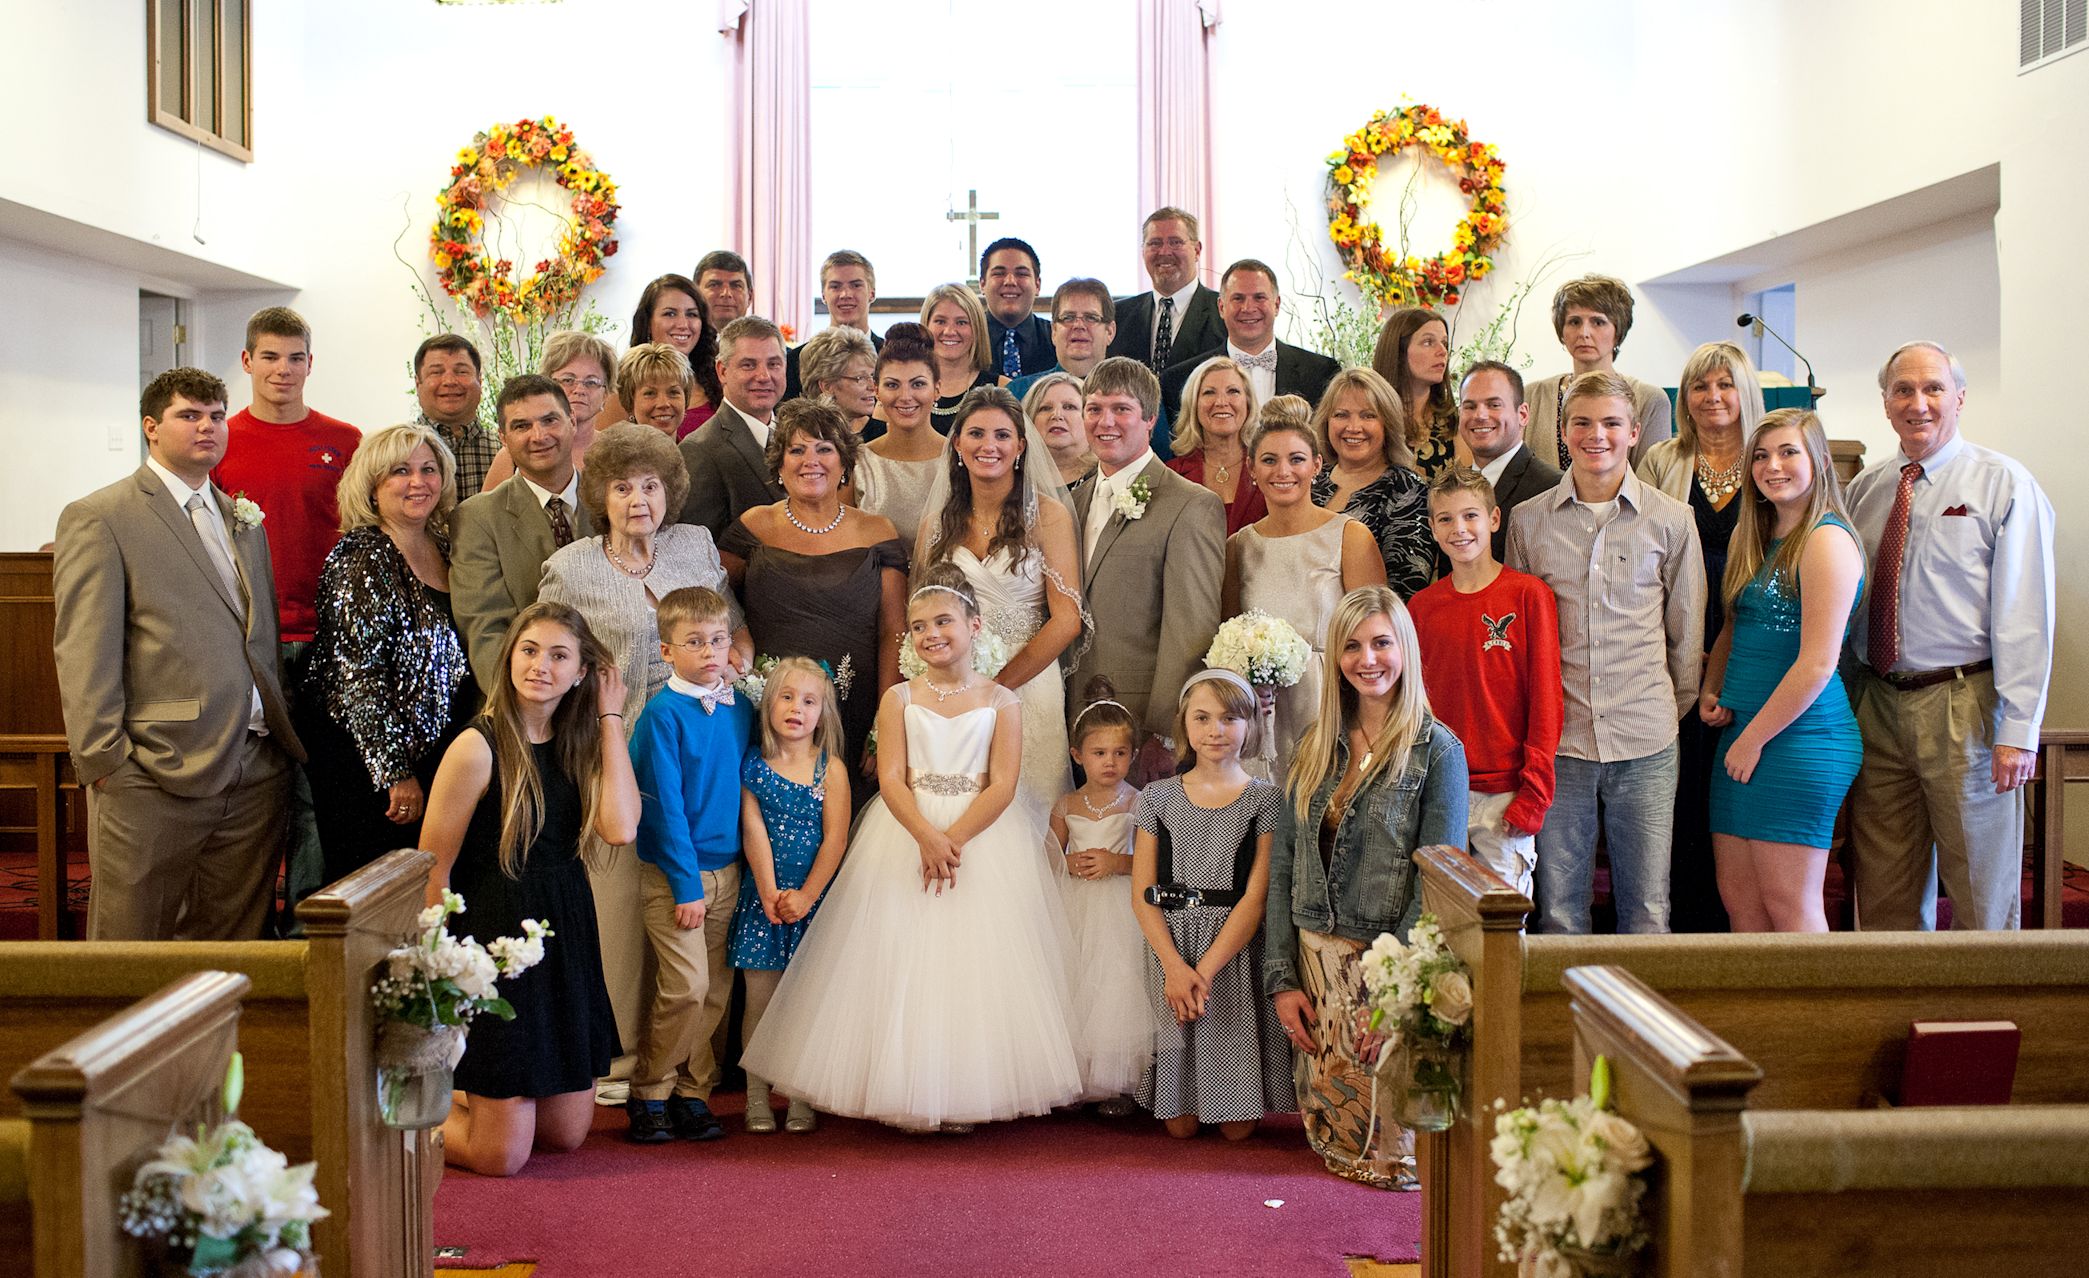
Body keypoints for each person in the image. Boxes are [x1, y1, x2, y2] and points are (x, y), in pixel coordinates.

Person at [740, 568, 1084, 1131]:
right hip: (906, 829)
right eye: (919, 627)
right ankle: (903, 1088)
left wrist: (953, 840)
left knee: (970, 964)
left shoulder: (1002, 700)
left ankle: (963, 1093)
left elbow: (1003, 784)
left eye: (943, 622)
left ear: (975, 626)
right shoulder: (899, 697)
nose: (930, 634)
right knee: (901, 960)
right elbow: (892, 777)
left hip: (979, 837)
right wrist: (926, 835)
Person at [52, 368, 304, 940]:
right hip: (153, 767)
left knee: (234, 944)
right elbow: (83, 648)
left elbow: (257, 636)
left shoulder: (241, 517)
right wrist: (105, 760)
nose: (207, 427)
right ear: (151, 427)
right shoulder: (102, 516)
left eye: (216, 416)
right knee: (132, 941)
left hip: (255, 765)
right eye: (188, 415)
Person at [541, 424, 749, 1069]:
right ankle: (619, 1058)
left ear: (670, 492)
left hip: (702, 758)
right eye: (623, 487)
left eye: (652, 486)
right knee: (622, 915)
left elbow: (733, 625)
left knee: (692, 918)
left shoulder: (694, 545)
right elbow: (550, 655)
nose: (639, 500)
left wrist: (738, 663)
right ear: (600, 496)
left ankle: (686, 1068)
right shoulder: (571, 567)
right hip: (617, 758)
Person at [1845, 341, 2055, 932]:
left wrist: (2019, 731)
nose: (1919, 403)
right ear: (1886, 402)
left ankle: (1986, 997)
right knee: (1883, 895)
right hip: (1878, 703)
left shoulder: (2002, 483)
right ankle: (1898, 993)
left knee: (1981, 897)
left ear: (1960, 397)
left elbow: (2027, 615)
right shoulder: (1866, 489)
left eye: (1933, 388)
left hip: (1965, 706)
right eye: (1903, 390)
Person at [424, 602, 639, 1178]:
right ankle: (405, 1114)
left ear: (581, 672)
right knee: (501, 1156)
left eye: (559, 656)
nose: (541, 665)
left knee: (564, 1137)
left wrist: (610, 716)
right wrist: (441, 973)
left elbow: (621, 827)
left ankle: (479, 1097)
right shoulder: (477, 747)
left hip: (562, 936)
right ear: (510, 657)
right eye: (529, 650)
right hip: (493, 945)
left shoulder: (580, 743)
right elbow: (433, 869)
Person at [1265, 587, 1468, 1187]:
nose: (1367, 659)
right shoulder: (1314, 744)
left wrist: (1395, 993)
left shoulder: (1438, 751)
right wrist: (1282, 978)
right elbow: (1284, 864)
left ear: (1405, 649)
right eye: (1352, 646)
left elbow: (1438, 884)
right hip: (1316, 965)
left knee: (1388, 1160)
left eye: (1382, 643)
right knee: (1333, 1144)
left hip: (1384, 964)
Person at [1507, 371, 1705, 934]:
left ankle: (1640, 999)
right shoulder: (1528, 520)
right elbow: (1521, 639)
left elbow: (1686, 637)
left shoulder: (1672, 520)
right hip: (1561, 743)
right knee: (1559, 909)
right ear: (1563, 430)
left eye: (1612, 423)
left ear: (1635, 432)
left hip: (1645, 740)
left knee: (1647, 908)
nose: (1597, 435)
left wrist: (1661, 709)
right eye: (1583, 423)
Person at [212, 306, 359, 913]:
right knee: (247, 790)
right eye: (270, 357)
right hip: (246, 642)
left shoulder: (345, 441)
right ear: (247, 361)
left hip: (327, 639)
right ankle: (245, 930)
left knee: (314, 792)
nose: (283, 369)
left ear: (310, 364)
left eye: (295, 357)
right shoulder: (219, 441)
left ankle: (306, 930)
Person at [1699, 411, 1865, 933]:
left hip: (1800, 739)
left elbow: (1817, 663)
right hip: (1744, 733)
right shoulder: (1754, 535)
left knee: (1790, 904)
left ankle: (1822, 995)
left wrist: (1753, 740)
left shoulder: (1826, 540)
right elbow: (1734, 625)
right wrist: (1712, 688)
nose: (1773, 466)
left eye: (1788, 452)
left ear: (1819, 461)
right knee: (1741, 903)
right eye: (1761, 455)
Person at [300, 424, 474, 885]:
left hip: (435, 750)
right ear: (372, 486)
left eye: (429, 469)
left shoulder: (444, 546)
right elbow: (358, 676)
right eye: (400, 471)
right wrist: (394, 772)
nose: (418, 482)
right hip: (367, 767)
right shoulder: (362, 554)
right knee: (377, 893)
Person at [1638, 341, 1767, 932]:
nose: (1712, 397)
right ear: (1684, 398)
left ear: (1745, 392)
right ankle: (1687, 922)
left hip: (1751, 634)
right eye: (1699, 386)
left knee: (1738, 782)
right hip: (1675, 634)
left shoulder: (1768, 457)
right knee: (1683, 785)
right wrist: (1684, 644)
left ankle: (1741, 924)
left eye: (1725, 384)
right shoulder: (1662, 459)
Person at [624, 587, 758, 1144]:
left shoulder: (741, 708)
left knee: (715, 991)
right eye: (695, 642)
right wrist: (685, 886)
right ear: (666, 651)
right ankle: (649, 1089)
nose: (709, 652)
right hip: (676, 875)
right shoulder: (661, 716)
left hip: (730, 871)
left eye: (718, 640)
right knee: (686, 987)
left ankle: (692, 1092)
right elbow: (664, 809)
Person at [915, 386, 1087, 819]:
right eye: (976, 434)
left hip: (1029, 683)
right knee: (955, 804)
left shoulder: (1048, 516)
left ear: (1021, 447)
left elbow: (1067, 620)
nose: (988, 445)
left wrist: (995, 690)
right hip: (951, 685)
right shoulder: (936, 525)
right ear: (957, 444)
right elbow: (917, 613)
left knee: (1030, 809)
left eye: (1002, 435)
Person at [1132, 669, 1290, 1140]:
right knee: (1179, 1126)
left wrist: (1204, 971)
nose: (1215, 730)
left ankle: (1237, 1089)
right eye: (1202, 718)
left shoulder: (1265, 799)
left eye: (1229, 718)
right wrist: (1175, 968)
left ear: (1251, 725)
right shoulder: (1157, 797)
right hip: (1173, 945)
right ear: (1184, 724)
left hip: (1231, 951)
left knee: (1236, 1129)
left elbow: (1256, 898)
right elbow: (1143, 894)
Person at [719, 400, 908, 778]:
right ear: (779, 464)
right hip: (771, 713)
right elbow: (714, 604)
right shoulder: (754, 527)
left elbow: (894, 630)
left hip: (855, 710)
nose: (811, 461)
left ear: (844, 463)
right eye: (796, 450)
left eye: (824, 449)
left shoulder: (878, 532)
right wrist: (738, 651)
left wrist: (885, 722)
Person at [1067, 358, 1226, 785]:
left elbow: (1191, 630)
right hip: (1070, 717)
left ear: (1150, 419)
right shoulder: (1072, 503)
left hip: (1138, 725)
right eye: (1094, 409)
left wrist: (1166, 732)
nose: (1105, 422)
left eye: (1121, 409)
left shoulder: (1190, 505)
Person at [1410, 469, 1562, 896]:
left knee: (1502, 919)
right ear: (1432, 527)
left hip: (1506, 794)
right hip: (1441, 789)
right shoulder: (1421, 608)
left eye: (1470, 516)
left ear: (1494, 519)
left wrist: (1534, 794)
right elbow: (1415, 707)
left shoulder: (1528, 595)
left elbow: (1546, 700)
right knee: (1440, 916)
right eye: (1445, 519)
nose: (1459, 529)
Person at [1223, 398, 1386, 771]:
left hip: (1330, 704)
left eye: (1296, 459)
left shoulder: (1350, 537)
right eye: (1269, 460)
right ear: (1251, 468)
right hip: (1262, 711)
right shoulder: (1238, 547)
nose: (1283, 471)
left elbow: (1376, 640)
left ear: (1316, 465)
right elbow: (1229, 638)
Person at [730, 658, 851, 1135]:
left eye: (808, 701)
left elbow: (835, 840)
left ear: (823, 713)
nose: (796, 708)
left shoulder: (830, 769)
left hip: (813, 903)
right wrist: (769, 893)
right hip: (764, 903)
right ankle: (756, 1095)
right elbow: (753, 830)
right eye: (786, 697)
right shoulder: (753, 766)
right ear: (768, 704)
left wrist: (805, 896)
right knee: (759, 1002)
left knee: (805, 1002)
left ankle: (800, 1093)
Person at [452, 375, 595, 699]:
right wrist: (529, 711)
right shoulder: (478, 518)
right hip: (526, 699)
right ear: (503, 437)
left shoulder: (613, 501)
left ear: (572, 422)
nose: (539, 436)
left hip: (615, 692)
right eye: (521, 426)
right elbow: (486, 632)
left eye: (549, 420)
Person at [1049, 677, 1152, 1113]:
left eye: (1120, 753)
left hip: (1119, 904)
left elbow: (1151, 861)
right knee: (1074, 982)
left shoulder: (1140, 802)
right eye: (1099, 753)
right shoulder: (1066, 805)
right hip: (1076, 902)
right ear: (1077, 755)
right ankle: (1074, 1075)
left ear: (1133, 754)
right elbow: (1050, 856)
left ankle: (1116, 1080)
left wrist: (1117, 863)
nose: (1110, 762)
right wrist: (1067, 863)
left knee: (1115, 982)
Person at [1158, 260, 1339, 455]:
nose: (1248, 308)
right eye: (1238, 298)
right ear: (1221, 307)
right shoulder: (1180, 379)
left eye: (1259, 297)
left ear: (1277, 305)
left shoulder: (1321, 372)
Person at [1525, 275, 1674, 471]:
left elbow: (1653, 478)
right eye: (1574, 322)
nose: (1584, 333)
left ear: (1618, 332)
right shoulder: (1532, 396)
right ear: (1562, 332)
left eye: (1598, 322)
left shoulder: (1650, 400)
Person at [1311, 367, 1436, 597]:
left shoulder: (1407, 489)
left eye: (1368, 415)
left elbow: (1407, 589)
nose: (1353, 427)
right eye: (1341, 415)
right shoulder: (1310, 480)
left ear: (1387, 424)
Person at [677, 315, 789, 537]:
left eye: (773, 364)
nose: (764, 376)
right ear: (722, 371)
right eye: (748, 365)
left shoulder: (798, 437)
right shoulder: (699, 450)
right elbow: (700, 547)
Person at [481, 331, 618, 490]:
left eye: (591, 382)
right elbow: (489, 505)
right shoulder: (513, 456)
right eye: (568, 380)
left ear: (606, 393)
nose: (579, 390)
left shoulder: (618, 453)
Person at [854, 324, 947, 555]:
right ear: (876, 390)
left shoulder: (959, 459)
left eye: (918, 384)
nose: (905, 397)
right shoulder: (857, 462)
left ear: (937, 389)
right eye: (892, 385)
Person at [1455, 360, 1561, 562]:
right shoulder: (1450, 488)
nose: (1480, 415)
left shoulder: (1553, 489)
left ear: (1522, 415)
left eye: (1494, 405)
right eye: (1470, 406)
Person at [1108, 206, 1223, 373]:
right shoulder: (1118, 316)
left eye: (1175, 242)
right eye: (1155, 243)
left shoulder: (1223, 313)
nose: (1165, 252)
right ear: (1143, 251)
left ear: (1197, 251)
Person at [1164, 356, 1267, 537]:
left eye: (1233, 391)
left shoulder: (1269, 469)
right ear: (1193, 405)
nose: (1221, 402)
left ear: (1248, 403)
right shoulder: (1171, 475)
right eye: (1209, 392)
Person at [621, 275, 720, 438]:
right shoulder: (624, 382)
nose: (683, 324)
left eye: (692, 314)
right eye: (670, 314)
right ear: (648, 323)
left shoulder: (719, 378)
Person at [1369, 307, 1458, 478]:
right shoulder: (1369, 417)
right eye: (1428, 342)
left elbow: (1467, 489)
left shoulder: (1454, 422)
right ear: (1398, 352)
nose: (1442, 351)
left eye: (1444, 343)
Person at [784, 250, 884, 399]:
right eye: (835, 286)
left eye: (856, 285)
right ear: (823, 295)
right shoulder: (794, 361)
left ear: (872, 293)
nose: (845, 294)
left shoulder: (890, 356)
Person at [410, 334, 499, 496]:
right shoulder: (394, 452)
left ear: (480, 381)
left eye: (462, 371)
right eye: (436, 372)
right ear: (418, 384)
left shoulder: (506, 452)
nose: (449, 381)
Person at [1006, 277, 1118, 403]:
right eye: (1068, 318)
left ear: (1110, 332)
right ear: (1054, 331)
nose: (1078, 325)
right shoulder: (1018, 393)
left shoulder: (1130, 394)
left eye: (1091, 318)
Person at [921, 283, 1004, 432]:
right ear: (926, 326)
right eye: (940, 321)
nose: (949, 331)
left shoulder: (1003, 387)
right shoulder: (903, 387)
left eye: (961, 322)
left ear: (977, 328)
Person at [979, 236, 1052, 379]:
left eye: (1021, 274)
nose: (1010, 281)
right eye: (999, 274)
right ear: (982, 284)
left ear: (1037, 285)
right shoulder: (966, 340)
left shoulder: (1057, 339)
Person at [795, 325, 879, 440]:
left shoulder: (886, 435)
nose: (873, 386)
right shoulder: (801, 437)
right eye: (860, 378)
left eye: (873, 376)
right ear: (827, 386)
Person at [1022, 371, 1095, 495]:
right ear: (1030, 419)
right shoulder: (1012, 478)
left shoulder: (1106, 476)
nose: (1057, 415)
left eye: (1069, 407)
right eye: (1045, 408)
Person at [616, 343, 698, 438]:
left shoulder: (699, 447)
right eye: (650, 393)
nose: (663, 404)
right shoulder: (610, 448)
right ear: (630, 401)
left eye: (673, 392)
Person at [694, 249, 754, 330]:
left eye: (736, 286)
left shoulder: (767, 337)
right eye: (714, 285)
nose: (726, 293)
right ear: (696, 294)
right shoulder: (679, 335)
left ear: (750, 297)